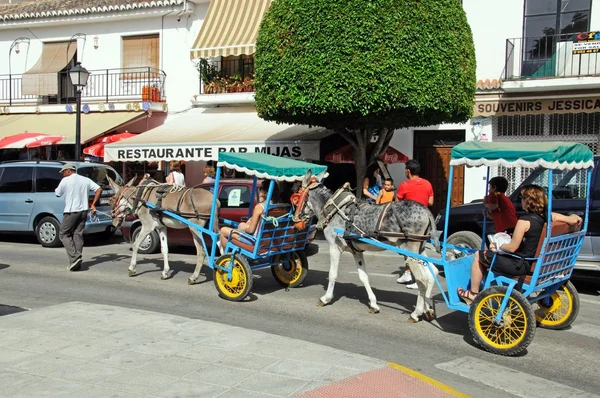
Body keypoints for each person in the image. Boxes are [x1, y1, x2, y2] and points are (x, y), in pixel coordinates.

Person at [457, 185, 583, 304]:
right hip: (536, 263)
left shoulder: (524, 221)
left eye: (522, 198)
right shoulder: (546, 216)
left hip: (520, 265)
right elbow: (566, 218)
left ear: (528, 201)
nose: (520, 201)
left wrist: (497, 245)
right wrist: (573, 217)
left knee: (479, 256)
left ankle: (472, 294)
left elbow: (512, 247)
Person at [55, 163, 103, 271]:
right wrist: (93, 204)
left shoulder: (65, 180)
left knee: (63, 234)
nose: (63, 175)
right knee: (78, 234)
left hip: (71, 211)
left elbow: (57, 193)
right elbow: (99, 189)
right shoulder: (85, 180)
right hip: (84, 211)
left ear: (68, 171)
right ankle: (76, 261)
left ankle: (75, 257)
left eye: (63, 172)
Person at [396, 159, 434, 288]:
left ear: (408, 171)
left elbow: (397, 203)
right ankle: (408, 272)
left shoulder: (404, 185)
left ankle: (419, 277)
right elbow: (431, 202)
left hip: (409, 220)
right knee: (416, 247)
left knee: (410, 247)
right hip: (425, 218)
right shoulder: (427, 184)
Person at [219, 180, 279, 249]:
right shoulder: (277, 206)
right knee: (241, 225)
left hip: (254, 241)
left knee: (223, 230)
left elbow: (251, 230)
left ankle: (227, 257)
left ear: (265, 192)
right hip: (268, 239)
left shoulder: (260, 207)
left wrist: (244, 228)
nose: (259, 191)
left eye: (260, 189)